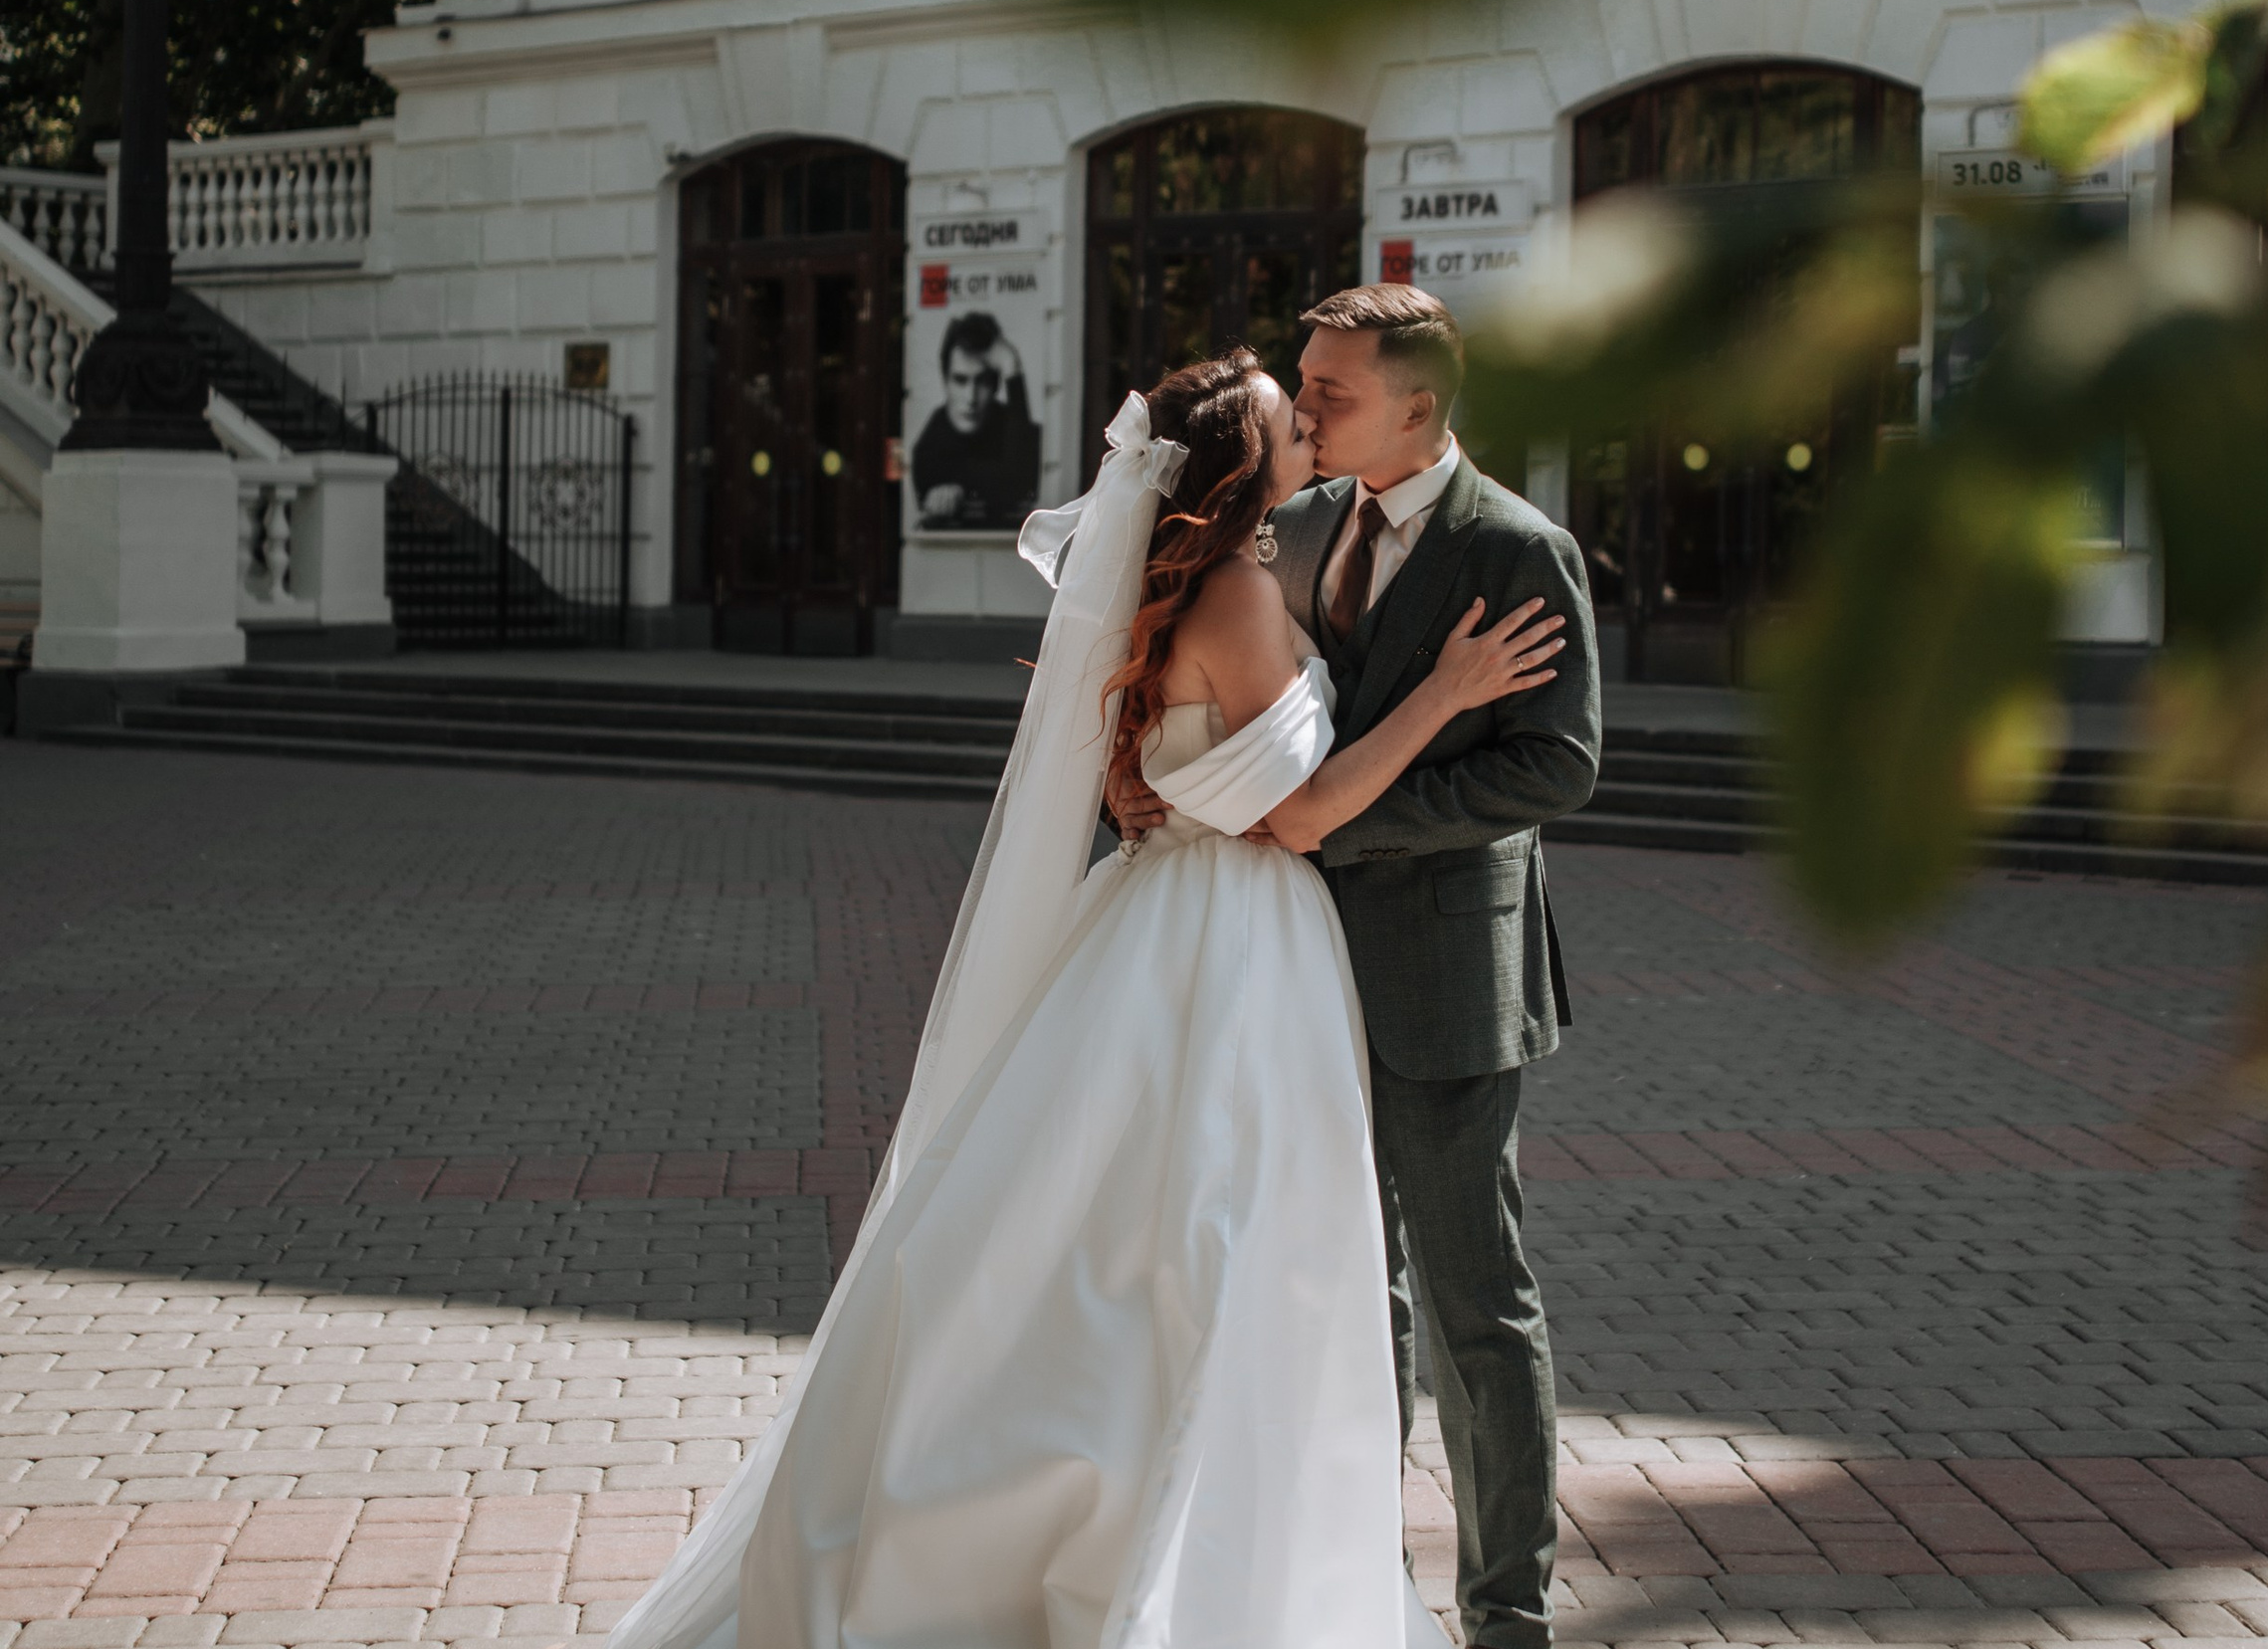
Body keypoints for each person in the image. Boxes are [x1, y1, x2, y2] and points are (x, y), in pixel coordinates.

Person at [604, 347, 1566, 1649]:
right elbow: (1301, 810)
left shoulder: (1214, 579)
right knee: (1222, 1249)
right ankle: (1195, 1566)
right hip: (1234, 942)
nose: (1311, 421)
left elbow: (1173, 767)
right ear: (1245, 465)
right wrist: (1449, 693)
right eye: (1294, 418)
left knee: (1154, 1246)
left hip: (1169, 923)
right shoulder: (1232, 592)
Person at [1118, 286, 1601, 1649]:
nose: (1307, 406)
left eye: (1331, 391)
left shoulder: (1519, 547)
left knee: (1474, 1307)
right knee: (1344, 1294)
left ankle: (1507, 1611)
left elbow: (1557, 761)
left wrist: (1343, 825)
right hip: (1295, 970)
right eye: (1307, 387)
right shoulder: (1305, 524)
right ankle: (1348, 1583)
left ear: (1421, 406)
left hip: (1446, 982)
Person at [912, 310, 1042, 528]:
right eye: (960, 380)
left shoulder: (1019, 428)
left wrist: (1011, 366)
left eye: (982, 382)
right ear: (945, 381)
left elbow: (1023, 484)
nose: (971, 398)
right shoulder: (929, 445)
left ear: (996, 385)